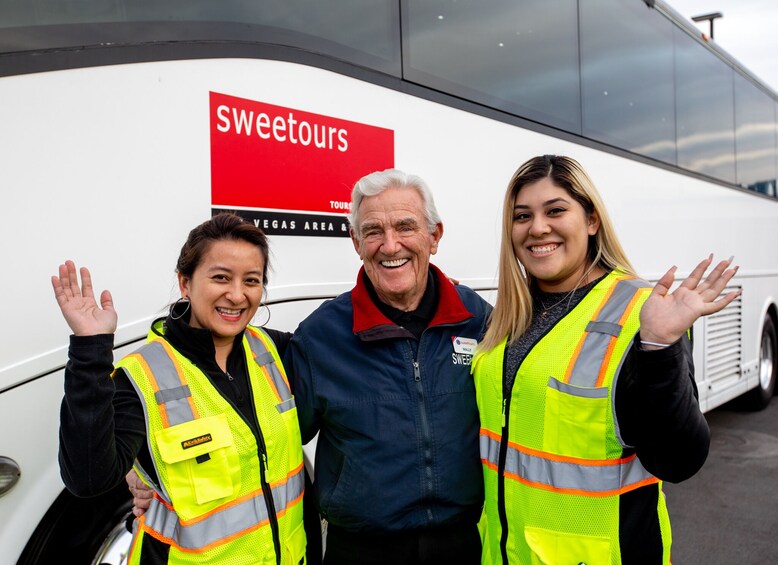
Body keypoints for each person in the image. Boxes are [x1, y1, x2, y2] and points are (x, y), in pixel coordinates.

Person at [472, 154, 739, 564]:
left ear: (592, 220)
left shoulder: (641, 313)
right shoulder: (510, 316)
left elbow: (679, 458)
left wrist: (658, 348)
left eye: (555, 210)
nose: (537, 227)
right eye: (522, 215)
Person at [53, 212, 308, 564]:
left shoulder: (273, 351)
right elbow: (89, 478)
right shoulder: (142, 379)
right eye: (221, 277)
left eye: (252, 280)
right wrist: (90, 348)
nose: (237, 295)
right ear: (185, 282)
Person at [284, 168, 492, 564]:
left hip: (464, 544)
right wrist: (149, 471)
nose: (390, 244)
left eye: (405, 227)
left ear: (434, 237)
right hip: (361, 550)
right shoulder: (320, 336)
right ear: (356, 242)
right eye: (373, 230)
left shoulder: (479, 320)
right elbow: (273, 439)